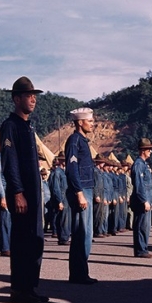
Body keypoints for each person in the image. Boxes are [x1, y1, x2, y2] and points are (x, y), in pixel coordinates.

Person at [0, 76, 47, 303]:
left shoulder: (28, 127)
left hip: (33, 195)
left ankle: (29, 287)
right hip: (23, 194)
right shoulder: (10, 126)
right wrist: (17, 192)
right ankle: (19, 289)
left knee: (34, 239)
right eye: (29, 95)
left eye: (34, 96)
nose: (33, 99)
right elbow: (10, 162)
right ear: (16, 99)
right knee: (22, 241)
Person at [65, 107, 97, 284]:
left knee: (86, 233)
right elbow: (72, 169)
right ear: (79, 122)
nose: (92, 124)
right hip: (81, 190)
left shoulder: (83, 141)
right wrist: (78, 193)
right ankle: (78, 274)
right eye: (90, 121)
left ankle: (81, 272)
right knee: (81, 233)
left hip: (87, 189)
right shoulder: (74, 140)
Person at [129, 138, 152, 258]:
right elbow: (139, 185)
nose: (150, 151)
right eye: (149, 149)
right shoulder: (138, 165)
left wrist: (150, 200)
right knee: (141, 226)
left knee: (145, 227)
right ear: (143, 150)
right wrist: (144, 200)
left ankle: (144, 248)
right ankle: (140, 250)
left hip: (147, 200)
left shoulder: (144, 164)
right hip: (141, 201)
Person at [48, 152, 70, 245]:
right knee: (62, 219)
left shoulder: (63, 171)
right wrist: (59, 201)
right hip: (61, 197)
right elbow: (55, 187)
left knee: (65, 218)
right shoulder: (57, 172)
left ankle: (65, 236)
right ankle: (63, 238)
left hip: (66, 196)